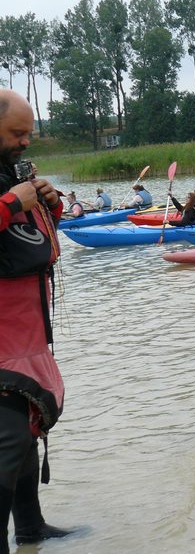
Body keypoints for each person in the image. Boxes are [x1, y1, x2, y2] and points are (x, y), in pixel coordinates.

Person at [0, 90, 73, 552]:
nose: (27, 142)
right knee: (6, 441)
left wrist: (48, 202)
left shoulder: (12, 178)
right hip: (4, 343)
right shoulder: (8, 189)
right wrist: (12, 201)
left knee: (27, 433)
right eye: (17, 133)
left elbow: (39, 240)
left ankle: (30, 529)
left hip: (29, 334)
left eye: (30, 133)